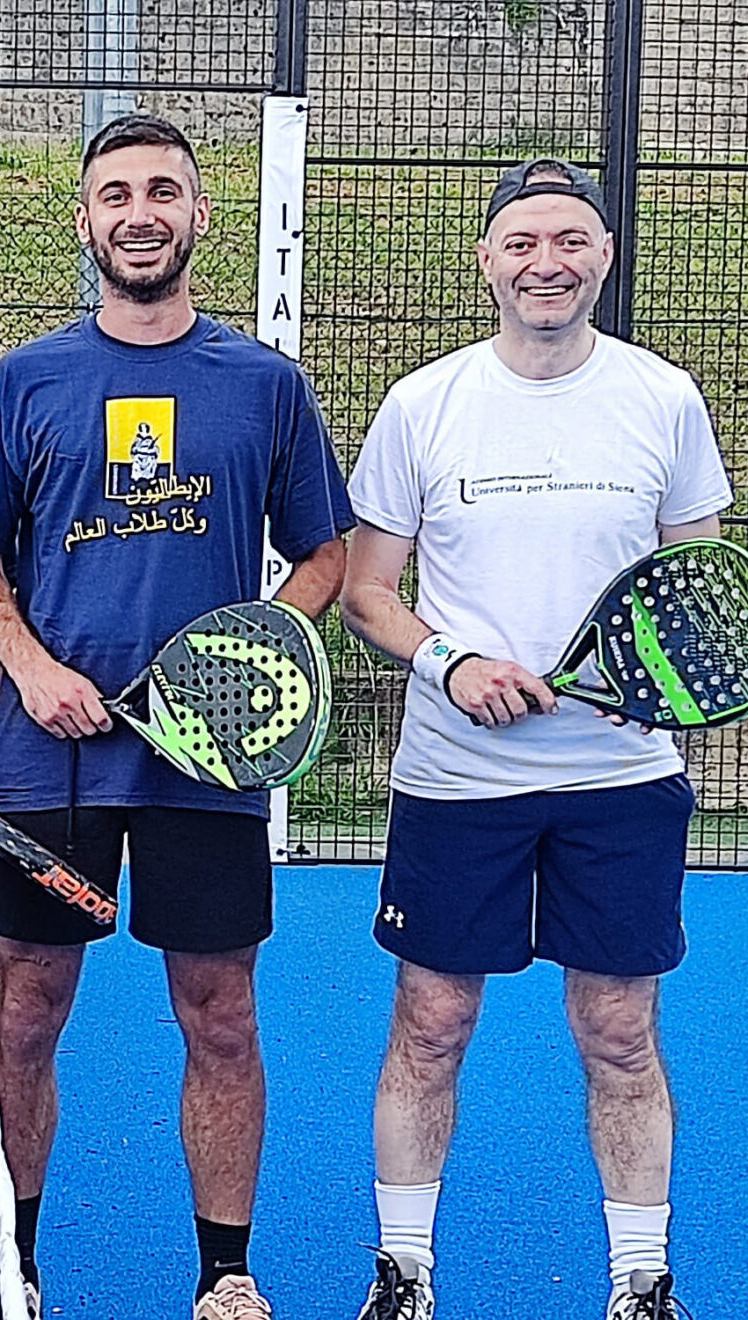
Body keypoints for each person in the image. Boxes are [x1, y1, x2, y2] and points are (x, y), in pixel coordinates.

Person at [0, 113, 354, 1320]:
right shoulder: (25, 381)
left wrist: (248, 657)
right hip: (45, 764)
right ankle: (12, 1265)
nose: (139, 212)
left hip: (203, 770)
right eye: (115, 193)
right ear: (86, 220)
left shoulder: (264, 386)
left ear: (198, 214)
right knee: (26, 1010)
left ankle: (226, 1277)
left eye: (162, 190)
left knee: (219, 1014)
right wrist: (29, 669)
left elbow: (320, 556)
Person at [340, 158, 731, 1320]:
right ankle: (404, 1276)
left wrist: (649, 687)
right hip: (459, 782)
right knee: (432, 1022)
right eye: (522, 243)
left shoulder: (664, 398)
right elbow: (368, 592)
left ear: (603, 255)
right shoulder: (425, 403)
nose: (546, 262)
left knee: (619, 1030)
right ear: (487, 262)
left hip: (620, 779)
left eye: (569, 241)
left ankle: (640, 1284)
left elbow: (694, 599)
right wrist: (450, 662)